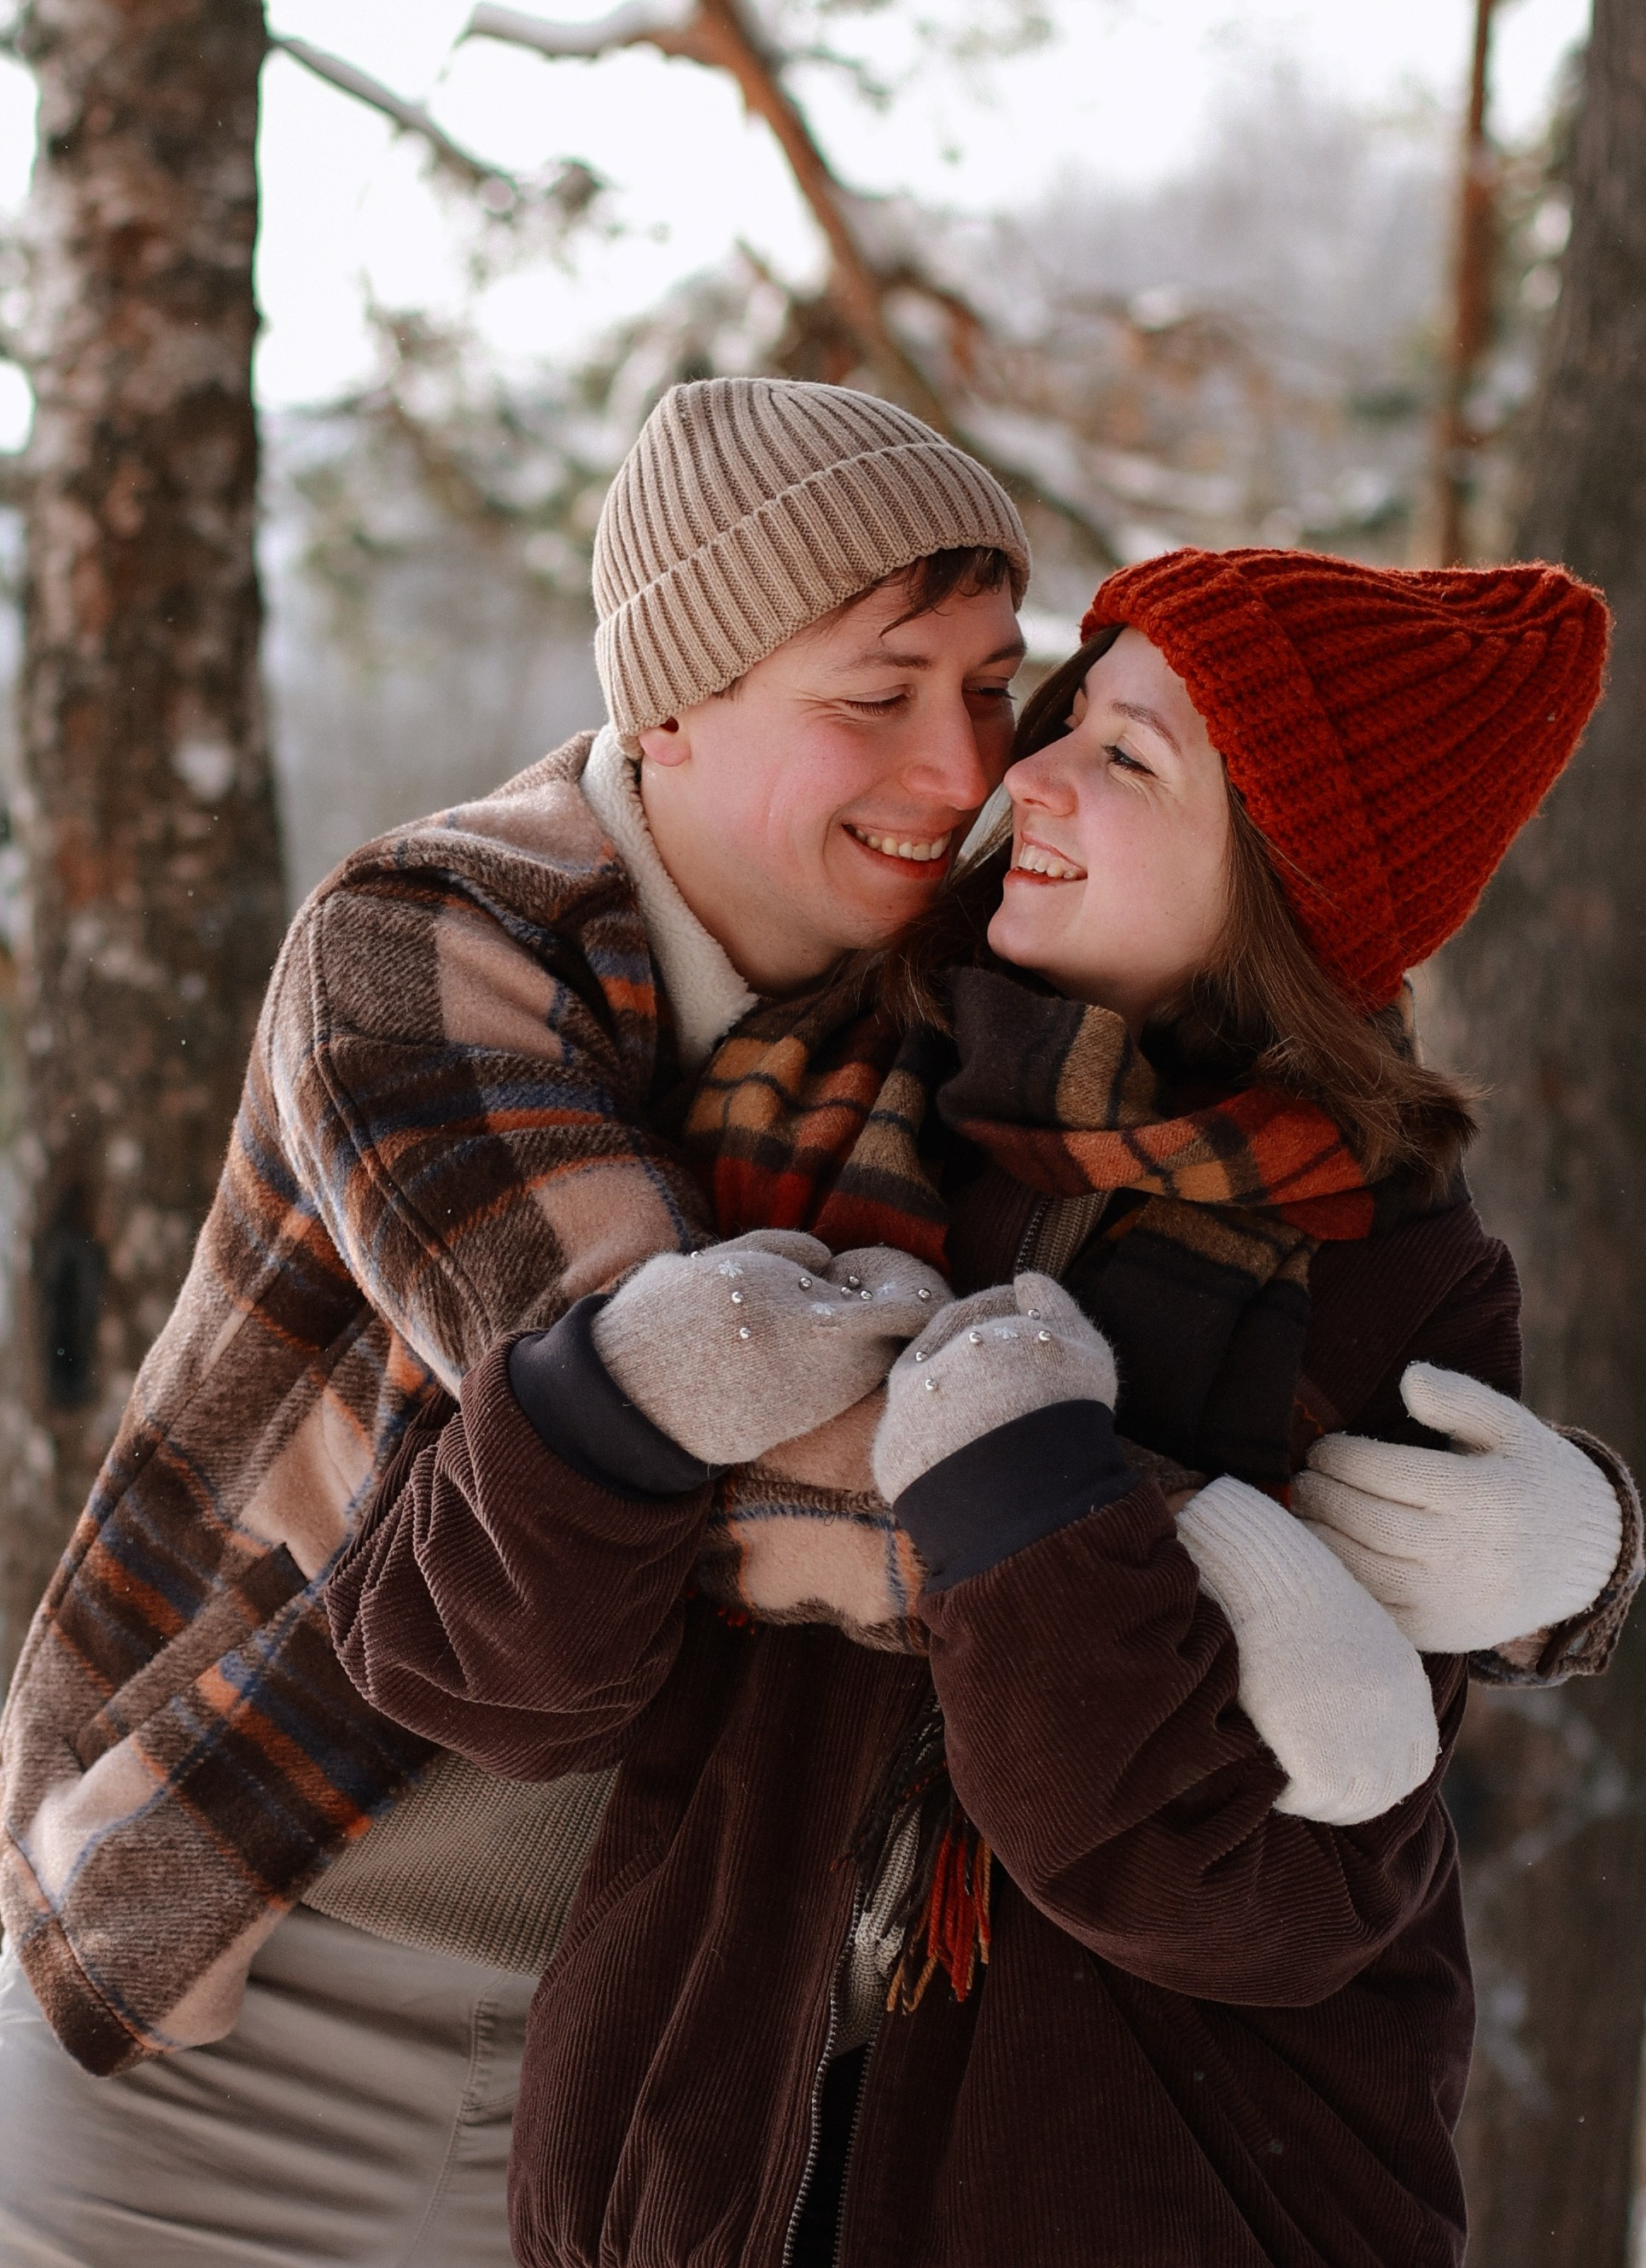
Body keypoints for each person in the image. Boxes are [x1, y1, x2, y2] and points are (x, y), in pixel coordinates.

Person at [326, 544, 1644, 2268]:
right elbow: (452, 1660)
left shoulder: (1389, 1271)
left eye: (1128, 754)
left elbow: (1250, 1881)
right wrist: (609, 1401)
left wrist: (1027, 1501)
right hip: (699, 2186)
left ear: (1288, 872)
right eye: (1066, 718)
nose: (1022, 773)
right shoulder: (807, 1088)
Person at [0, 380, 1036, 2268]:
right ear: (674, 703)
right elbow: (660, 1434)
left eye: (990, 686)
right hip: (239, 1989)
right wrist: (1134, 1519)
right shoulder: (428, 938)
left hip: (631, 2085)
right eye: (874, 695)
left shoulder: (970, 1023)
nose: (958, 769)